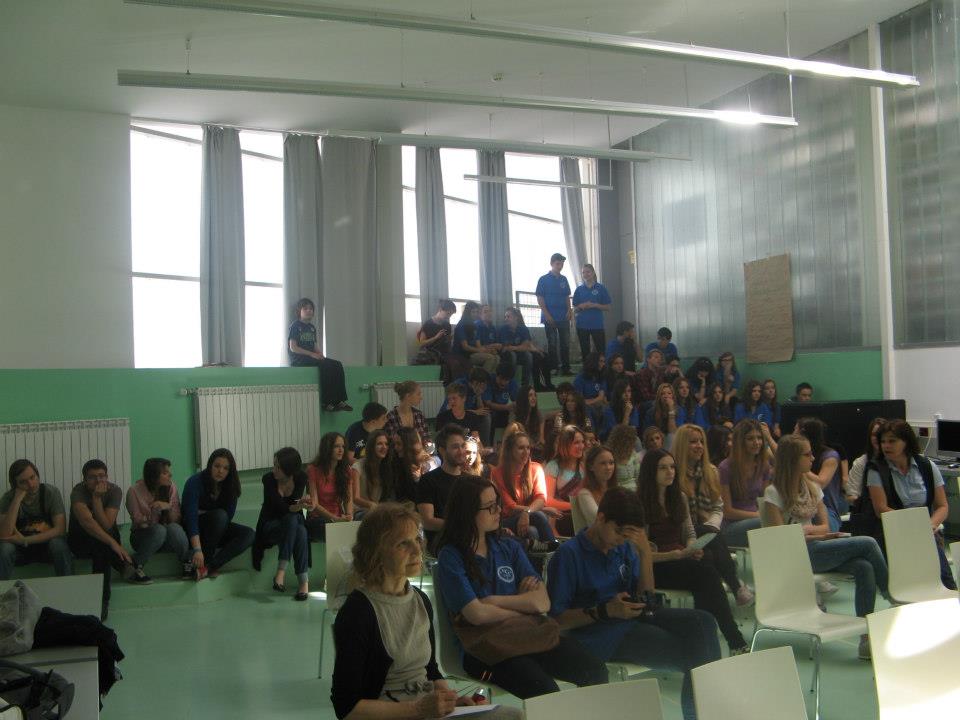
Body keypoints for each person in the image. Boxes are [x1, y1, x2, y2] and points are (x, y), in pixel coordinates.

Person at [331, 503, 522, 720]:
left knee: (514, 716)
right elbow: (347, 708)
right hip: (396, 713)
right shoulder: (358, 613)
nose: (417, 550)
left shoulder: (420, 600)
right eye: (403, 544)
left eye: (417, 540)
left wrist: (450, 701)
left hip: (425, 709)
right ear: (376, 553)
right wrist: (419, 710)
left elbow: (430, 670)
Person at [548, 487, 721, 720]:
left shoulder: (624, 547)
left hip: (631, 616)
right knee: (695, 653)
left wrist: (644, 553)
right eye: (619, 532)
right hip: (599, 633)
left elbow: (646, 598)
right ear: (601, 518)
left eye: (628, 536)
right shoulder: (569, 554)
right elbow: (557, 621)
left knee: (704, 622)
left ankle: (703, 714)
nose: (621, 540)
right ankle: (702, 715)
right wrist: (604, 610)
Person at [434, 475, 608, 698]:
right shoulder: (451, 557)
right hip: (485, 649)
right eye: (490, 506)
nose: (499, 510)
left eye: (497, 503)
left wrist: (493, 601)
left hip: (527, 636)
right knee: (545, 690)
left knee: (595, 670)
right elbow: (476, 615)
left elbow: (542, 603)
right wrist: (523, 606)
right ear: (467, 512)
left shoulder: (508, 547)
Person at [763, 435, 890, 660]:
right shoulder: (773, 493)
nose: (813, 458)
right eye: (807, 454)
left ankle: (866, 639)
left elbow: (825, 526)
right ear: (792, 459)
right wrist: (813, 533)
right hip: (795, 556)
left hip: (816, 547)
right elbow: (780, 539)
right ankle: (891, 592)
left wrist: (807, 532)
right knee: (869, 543)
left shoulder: (812, 488)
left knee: (864, 567)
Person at [637, 449, 750, 655]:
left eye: (672, 467)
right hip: (655, 566)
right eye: (663, 468)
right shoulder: (640, 504)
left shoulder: (678, 497)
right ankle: (733, 640)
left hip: (680, 559)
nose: (670, 472)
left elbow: (689, 532)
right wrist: (675, 555)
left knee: (706, 563)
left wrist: (691, 548)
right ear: (650, 471)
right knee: (706, 572)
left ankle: (712, 640)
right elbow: (641, 554)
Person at [865, 419, 956, 590]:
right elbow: (880, 509)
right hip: (894, 532)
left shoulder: (927, 466)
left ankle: (948, 591)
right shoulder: (876, 469)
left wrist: (930, 525)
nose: (886, 446)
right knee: (916, 577)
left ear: (906, 441)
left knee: (942, 574)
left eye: (892, 441)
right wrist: (913, 525)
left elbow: (942, 506)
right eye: (883, 441)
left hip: (926, 531)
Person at [673, 424, 753, 606]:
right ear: (682, 445)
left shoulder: (711, 471)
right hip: (682, 530)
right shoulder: (672, 472)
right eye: (693, 442)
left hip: (707, 530)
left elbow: (718, 507)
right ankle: (736, 586)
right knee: (710, 542)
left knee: (708, 555)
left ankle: (711, 612)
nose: (699, 446)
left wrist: (711, 526)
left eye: (701, 441)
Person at [66, 459, 134, 618]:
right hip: (80, 539)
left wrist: (96, 500)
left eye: (102, 476)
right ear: (84, 480)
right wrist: (113, 543)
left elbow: (107, 525)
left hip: (101, 541)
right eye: (92, 477)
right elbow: (87, 523)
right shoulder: (78, 492)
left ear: (107, 477)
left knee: (101, 547)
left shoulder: (114, 490)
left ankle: (101, 601)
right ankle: (124, 564)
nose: (98, 480)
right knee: (102, 542)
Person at [182, 448, 255, 581]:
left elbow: (228, 518)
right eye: (217, 466)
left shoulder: (230, 486)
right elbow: (190, 518)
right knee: (219, 516)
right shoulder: (195, 482)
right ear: (210, 465)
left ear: (230, 471)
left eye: (225, 468)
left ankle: (209, 567)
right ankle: (206, 560)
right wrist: (197, 549)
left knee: (249, 534)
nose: (220, 471)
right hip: (193, 531)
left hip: (217, 529)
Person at [254, 447, 311, 601]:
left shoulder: (300, 478)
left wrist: (303, 504)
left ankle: (289, 577)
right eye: (274, 465)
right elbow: (281, 508)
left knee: (300, 530)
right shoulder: (268, 479)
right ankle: (298, 579)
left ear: (289, 469)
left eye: (278, 467)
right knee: (294, 521)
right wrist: (298, 506)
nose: (274, 470)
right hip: (271, 526)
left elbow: (294, 505)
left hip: (291, 526)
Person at [0, 460, 72, 580]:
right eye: (23, 482)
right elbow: (4, 535)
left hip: (46, 547)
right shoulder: (8, 498)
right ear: (15, 485)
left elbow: (60, 530)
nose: (31, 484)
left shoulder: (50, 492)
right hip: (20, 551)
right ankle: (2, 589)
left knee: (58, 545)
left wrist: (25, 540)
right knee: (5, 549)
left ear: (37, 475)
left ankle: (68, 585)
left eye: (32, 477)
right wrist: (16, 500)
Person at [491, 431, 558, 550]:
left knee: (532, 531)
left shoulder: (536, 468)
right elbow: (510, 507)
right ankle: (556, 551)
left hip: (530, 517)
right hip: (507, 520)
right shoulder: (497, 473)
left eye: (528, 448)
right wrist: (536, 510)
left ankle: (546, 556)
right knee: (538, 515)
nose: (526, 452)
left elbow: (541, 499)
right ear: (510, 451)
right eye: (521, 448)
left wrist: (527, 512)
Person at [126, 457, 190, 581]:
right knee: (160, 530)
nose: (170, 475)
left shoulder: (171, 487)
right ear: (153, 476)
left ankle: (187, 563)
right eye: (165, 473)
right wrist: (153, 511)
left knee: (174, 528)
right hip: (142, 537)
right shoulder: (134, 491)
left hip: (165, 538)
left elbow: (176, 520)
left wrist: (168, 507)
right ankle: (135, 566)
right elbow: (138, 522)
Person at [287, 298, 352, 412]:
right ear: (299, 311)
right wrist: (312, 354)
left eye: (311, 309)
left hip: (311, 356)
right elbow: (293, 347)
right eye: (305, 308)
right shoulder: (295, 326)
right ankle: (326, 402)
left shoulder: (312, 328)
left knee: (336, 364)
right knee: (325, 366)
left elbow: (314, 346)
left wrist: (320, 355)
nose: (309, 311)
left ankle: (339, 400)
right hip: (299, 359)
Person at [717, 420, 772, 548]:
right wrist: (759, 516)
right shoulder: (725, 467)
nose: (756, 442)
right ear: (740, 441)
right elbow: (727, 511)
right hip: (731, 525)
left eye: (759, 438)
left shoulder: (764, 465)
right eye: (750, 438)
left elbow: (765, 501)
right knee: (765, 522)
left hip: (758, 519)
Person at [416, 424, 467, 548]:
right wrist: (461, 527)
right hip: (443, 543)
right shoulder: (428, 480)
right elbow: (427, 521)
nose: (461, 451)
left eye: (463, 446)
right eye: (455, 447)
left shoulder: (469, 480)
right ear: (442, 451)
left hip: (468, 539)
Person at [795, 417, 844, 532]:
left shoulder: (830, 456)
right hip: (800, 508)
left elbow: (821, 483)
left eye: (795, 430)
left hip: (827, 509)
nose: (792, 435)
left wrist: (799, 464)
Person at [305, 433, 356, 540]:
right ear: (327, 448)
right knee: (334, 530)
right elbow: (315, 504)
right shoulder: (313, 469)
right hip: (318, 518)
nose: (341, 450)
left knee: (359, 526)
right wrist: (334, 518)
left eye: (343, 446)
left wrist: (349, 515)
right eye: (336, 446)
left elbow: (348, 499)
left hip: (339, 516)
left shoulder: (346, 470)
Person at [544, 425, 587, 536]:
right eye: (576, 443)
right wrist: (574, 507)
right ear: (565, 445)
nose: (581, 446)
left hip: (583, 516)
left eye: (582, 442)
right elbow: (548, 500)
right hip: (559, 518)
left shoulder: (585, 466)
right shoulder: (553, 466)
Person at [536, 252, 573, 376]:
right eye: (558, 263)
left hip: (564, 317)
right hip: (550, 317)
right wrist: (546, 314)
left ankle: (566, 368)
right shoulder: (543, 279)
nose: (560, 266)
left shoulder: (564, 279)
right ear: (552, 264)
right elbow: (540, 298)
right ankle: (554, 367)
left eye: (562, 264)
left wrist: (569, 310)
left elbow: (567, 296)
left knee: (565, 344)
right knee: (552, 343)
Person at [499, 306, 550, 390]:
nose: (506, 319)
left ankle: (525, 385)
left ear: (515, 317)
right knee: (513, 355)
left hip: (520, 353)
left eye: (508, 316)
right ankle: (511, 383)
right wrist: (520, 347)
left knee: (529, 356)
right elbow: (507, 347)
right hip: (507, 354)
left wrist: (515, 347)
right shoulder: (503, 329)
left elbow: (526, 345)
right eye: (505, 317)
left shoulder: (523, 328)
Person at [572, 263, 612, 361]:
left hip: (597, 325)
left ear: (593, 273)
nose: (586, 274)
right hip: (582, 325)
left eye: (588, 272)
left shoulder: (601, 288)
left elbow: (608, 307)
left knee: (601, 350)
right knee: (585, 352)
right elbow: (574, 309)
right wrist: (581, 306)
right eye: (583, 272)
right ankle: (587, 369)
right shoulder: (579, 290)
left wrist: (595, 305)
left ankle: (602, 368)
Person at [572, 446, 617, 527]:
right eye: (603, 463)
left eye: (611, 463)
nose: (608, 467)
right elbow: (599, 521)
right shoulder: (584, 494)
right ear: (591, 466)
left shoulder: (616, 490)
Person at [353, 430, 397, 512]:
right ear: (371, 447)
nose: (384, 447)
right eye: (379, 444)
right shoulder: (357, 467)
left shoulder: (387, 468)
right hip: (359, 511)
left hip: (377, 511)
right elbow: (355, 498)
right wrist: (371, 505)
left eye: (386, 444)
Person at [845, 417, 886, 505]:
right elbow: (850, 496)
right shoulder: (861, 463)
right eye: (874, 434)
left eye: (881, 434)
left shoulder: (896, 461)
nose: (878, 438)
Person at [454, 301, 499, 374]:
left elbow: (478, 344)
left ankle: (490, 378)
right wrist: (480, 350)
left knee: (496, 357)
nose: (475, 314)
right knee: (490, 358)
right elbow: (465, 347)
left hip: (473, 352)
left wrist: (487, 350)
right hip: (463, 355)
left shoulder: (473, 325)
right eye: (473, 312)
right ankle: (481, 378)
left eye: (477, 312)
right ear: (468, 312)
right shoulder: (462, 325)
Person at [383, 381, 429, 447]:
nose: (421, 397)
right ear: (408, 396)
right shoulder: (391, 417)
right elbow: (391, 443)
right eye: (418, 394)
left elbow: (426, 438)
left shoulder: (419, 415)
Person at [392, 427, 429, 507]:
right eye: (394, 444)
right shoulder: (396, 462)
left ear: (408, 444)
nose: (395, 448)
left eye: (399, 444)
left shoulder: (424, 463)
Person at [486, 366, 519, 445]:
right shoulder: (489, 381)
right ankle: (489, 445)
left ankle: (510, 444)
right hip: (488, 411)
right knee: (489, 417)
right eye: (501, 379)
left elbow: (518, 401)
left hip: (503, 411)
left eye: (506, 380)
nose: (503, 382)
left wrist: (514, 406)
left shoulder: (512, 383)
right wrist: (507, 407)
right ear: (496, 375)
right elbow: (488, 403)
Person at [573, 352, 607, 428]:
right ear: (593, 361)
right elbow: (579, 401)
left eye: (604, 362)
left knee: (607, 409)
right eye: (601, 361)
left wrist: (590, 401)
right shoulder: (580, 379)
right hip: (585, 407)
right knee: (587, 409)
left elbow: (601, 397)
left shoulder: (601, 377)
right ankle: (591, 433)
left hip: (598, 405)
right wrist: (592, 401)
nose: (603, 364)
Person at [513, 384, 545, 460]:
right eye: (530, 395)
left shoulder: (537, 413)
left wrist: (541, 438)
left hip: (535, 447)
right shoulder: (515, 414)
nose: (533, 398)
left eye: (535, 395)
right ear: (524, 398)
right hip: (522, 447)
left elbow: (541, 438)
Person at [608, 424, 642, 492]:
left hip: (635, 490)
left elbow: (638, 476)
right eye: (629, 440)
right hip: (617, 491)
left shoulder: (633, 454)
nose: (632, 443)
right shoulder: (609, 455)